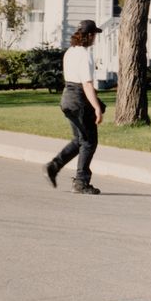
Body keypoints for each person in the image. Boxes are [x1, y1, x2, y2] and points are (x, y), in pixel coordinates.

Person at [44, 19, 106, 195]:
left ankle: (53, 167)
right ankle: (81, 182)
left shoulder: (70, 52)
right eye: (94, 34)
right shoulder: (85, 54)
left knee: (79, 140)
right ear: (89, 35)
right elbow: (86, 84)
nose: (95, 38)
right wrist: (97, 107)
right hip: (79, 99)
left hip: (67, 98)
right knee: (89, 141)